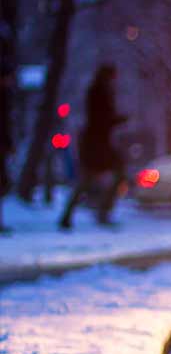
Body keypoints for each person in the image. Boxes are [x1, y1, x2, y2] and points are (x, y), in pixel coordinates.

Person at [58, 64, 128, 230]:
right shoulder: (99, 93)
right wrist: (116, 120)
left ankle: (72, 215)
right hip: (97, 144)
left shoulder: (98, 91)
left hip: (96, 143)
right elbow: (100, 119)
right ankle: (99, 212)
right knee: (95, 177)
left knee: (87, 179)